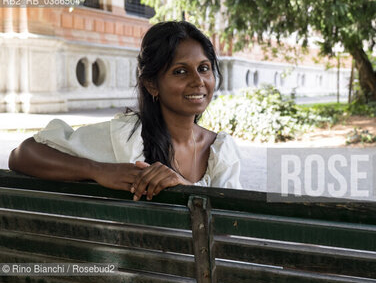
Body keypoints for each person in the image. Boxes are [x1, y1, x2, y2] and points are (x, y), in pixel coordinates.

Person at [8, 21, 242, 201]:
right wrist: (98, 170)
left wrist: (182, 187)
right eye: (180, 71)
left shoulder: (220, 151)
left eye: (204, 68)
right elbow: (22, 154)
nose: (198, 80)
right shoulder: (126, 139)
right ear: (152, 84)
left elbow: (232, 224)